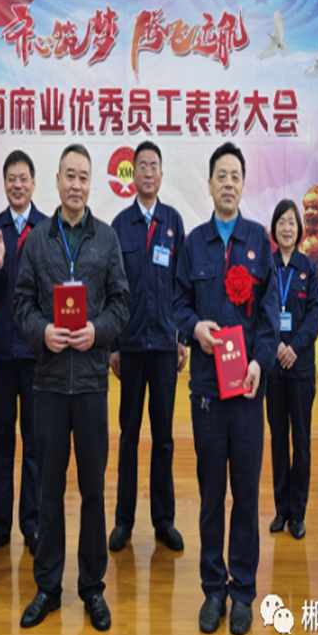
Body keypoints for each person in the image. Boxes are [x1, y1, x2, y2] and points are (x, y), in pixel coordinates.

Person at [13, 143, 130, 632]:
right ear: (57, 181)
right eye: (69, 176)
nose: (76, 184)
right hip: (47, 383)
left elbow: (122, 303)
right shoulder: (38, 241)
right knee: (49, 489)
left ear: (90, 184)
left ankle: (92, 587)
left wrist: (97, 331)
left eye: (83, 177)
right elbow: (20, 304)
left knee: (92, 490)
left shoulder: (107, 240)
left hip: (91, 384)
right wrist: (42, 331)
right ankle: (47, 586)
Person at [173, 142, 279, 635]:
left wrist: (259, 361)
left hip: (249, 392)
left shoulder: (259, 241)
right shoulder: (193, 243)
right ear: (210, 183)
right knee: (212, 493)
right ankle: (213, 589)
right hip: (207, 393)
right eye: (222, 175)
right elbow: (177, 303)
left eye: (236, 175)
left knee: (247, 494)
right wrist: (194, 328)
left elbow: (270, 315)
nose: (229, 183)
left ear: (243, 183)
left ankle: (243, 590)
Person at [108, 140, 187, 553]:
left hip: (164, 347)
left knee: (164, 436)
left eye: (154, 165)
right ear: (133, 174)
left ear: (161, 174)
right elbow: (111, 289)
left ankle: (164, 520)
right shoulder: (119, 225)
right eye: (142, 166)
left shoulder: (173, 222)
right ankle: (123, 521)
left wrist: (181, 337)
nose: (148, 172)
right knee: (128, 435)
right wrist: (113, 346)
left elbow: (182, 285)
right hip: (131, 347)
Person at [0, 150, 46, 559]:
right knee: (2, 440)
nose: (17, 185)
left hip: (37, 354)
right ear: (4, 185)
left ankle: (31, 523)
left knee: (35, 441)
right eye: (11, 179)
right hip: (1, 352)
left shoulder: (47, 229)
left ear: (33, 184)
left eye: (23, 178)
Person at [266, 199, 318, 540]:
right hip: (273, 369)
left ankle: (298, 512)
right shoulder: (266, 266)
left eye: (292, 222)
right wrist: (275, 346)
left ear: (299, 229)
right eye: (281, 222)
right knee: (277, 439)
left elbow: (315, 315)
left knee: (301, 441)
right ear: (274, 229)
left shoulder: (309, 268)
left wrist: (295, 347)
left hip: (300, 369)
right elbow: (260, 311)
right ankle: (281, 509)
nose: (286, 228)